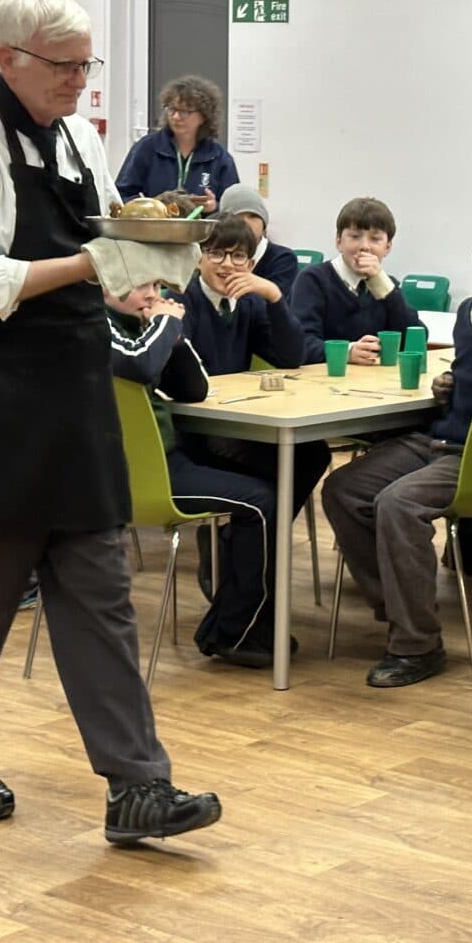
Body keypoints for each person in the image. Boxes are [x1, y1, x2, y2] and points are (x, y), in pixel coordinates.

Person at [0, 0, 219, 843]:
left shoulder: (79, 138)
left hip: (75, 388)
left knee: (101, 587)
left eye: (88, 64)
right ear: (9, 59)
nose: (82, 81)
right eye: (67, 65)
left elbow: (108, 238)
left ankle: (137, 785)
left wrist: (146, 266)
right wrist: (93, 264)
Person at [322, 225, 472, 688]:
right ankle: (401, 607)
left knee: (399, 503)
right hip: (438, 441)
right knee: (344, 488)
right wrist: (449, 384)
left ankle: (417, 645)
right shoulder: (468, 316)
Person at [104, 280, 283, 668]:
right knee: (260, 502)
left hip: (165, 462)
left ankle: (230, 621)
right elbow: (138, 363)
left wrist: (174, 334)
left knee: (280, 476)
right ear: (105, 285)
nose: (151, 295)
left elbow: (193, 390)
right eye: (138, 286)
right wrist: (165, 326)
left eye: (154, 285)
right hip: (131, 476)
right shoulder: (95, 325)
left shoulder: (141, 327)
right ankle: (240, 629)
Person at [170, 214, 331, 599]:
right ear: (197, 258)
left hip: (236, 423)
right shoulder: (182, 299)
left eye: (238, 256)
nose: (227, 265)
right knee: (279, 469)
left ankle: (236, 541)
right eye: (216, 254)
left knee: (310, 455)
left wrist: (273, 296)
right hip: (195, 431)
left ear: (251, 263)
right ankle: (242, 548)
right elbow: (181, 371)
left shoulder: (247, 304)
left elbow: (291, 356)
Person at [290, 196, 423, 365]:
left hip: (375, 384)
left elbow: (416, 339)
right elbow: (300, 343)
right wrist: (347, 352)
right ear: (339, 241)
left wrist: (385, 289)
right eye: (354, 236)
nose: (365, 246)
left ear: (387, 247)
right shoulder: (313, 280)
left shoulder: (387, 286)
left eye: (375, 239)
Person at [115, 75, 239, 211]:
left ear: (204, 116)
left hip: (200, 230)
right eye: (172, 109)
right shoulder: (147, 147)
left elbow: (234, 206)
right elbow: (121, 194)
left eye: (185, 111)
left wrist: (214, 207)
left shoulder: (219, 158)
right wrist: (151, 207)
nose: (176, 117)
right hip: (153, 229)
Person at [217, 184, 298, 299]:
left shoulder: (283, 259)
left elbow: (276, 306)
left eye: (253, 216)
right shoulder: (214, 258)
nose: (246, 223)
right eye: (238, 216)